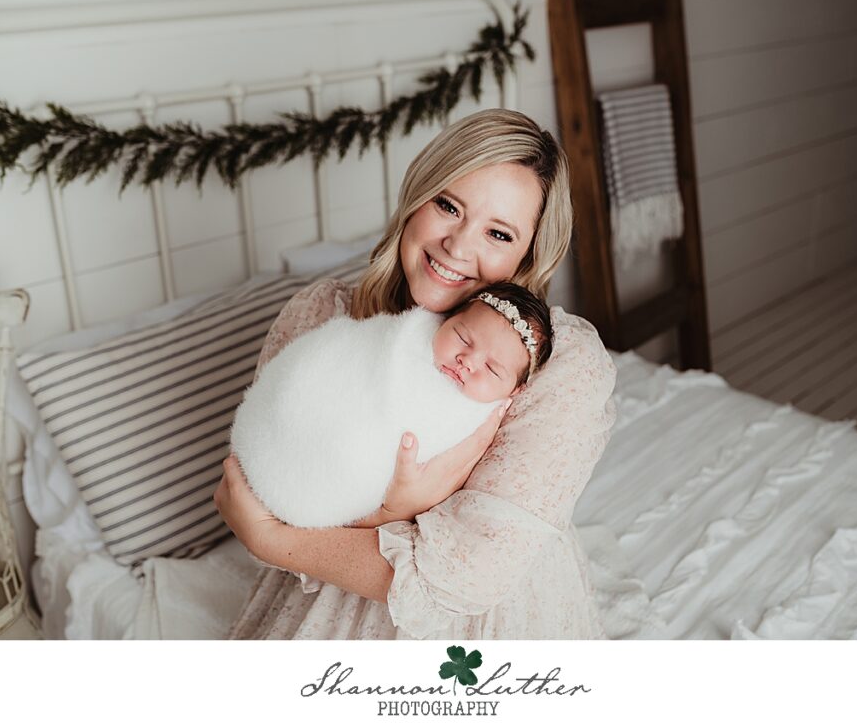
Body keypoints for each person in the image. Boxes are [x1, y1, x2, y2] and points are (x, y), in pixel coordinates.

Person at [214, 108, 617, 639]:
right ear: (415, 197)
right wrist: (384, 512)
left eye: (499, 234)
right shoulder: (323, 315)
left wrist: (280, 537)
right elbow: (248, 493)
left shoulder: (560, 366)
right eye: (448, 206)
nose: (458, 246)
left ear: (527, 257)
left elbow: (468, 579)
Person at [231, 281, 553, 529]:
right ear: (447, 319)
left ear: (515, 389)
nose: (467, 361)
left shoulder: (481, 418)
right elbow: (335, 361)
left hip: (336, 478)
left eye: (492, 369)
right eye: (463, 338)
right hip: (285, 434)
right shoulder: (405, 336)